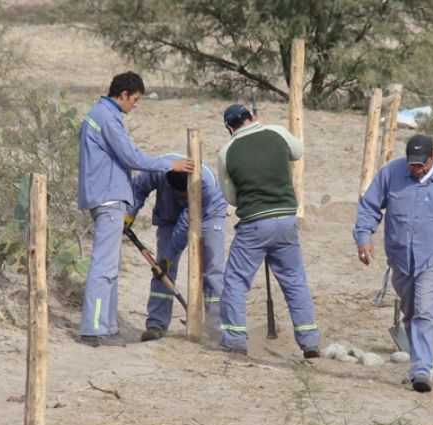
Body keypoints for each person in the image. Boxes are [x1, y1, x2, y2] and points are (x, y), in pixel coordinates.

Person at [353, 134, 433, 393]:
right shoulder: (390, 174)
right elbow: (369, 207)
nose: (416, 169)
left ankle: (421, 370)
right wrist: (364, 237)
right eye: (412, 164)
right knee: (411, 313)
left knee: (425, 310)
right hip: (401, 258)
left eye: (421, 164)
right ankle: (423, 362)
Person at [77, 71, 194, 347]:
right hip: (108, 199)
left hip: (107, 198)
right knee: (103, 267)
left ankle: (107, 327)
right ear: (123, 94)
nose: (136, 104)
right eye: (135, 99)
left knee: (111, 268)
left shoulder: (101, 115)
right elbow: (132, 157)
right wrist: (170, 165)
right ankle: (93, 329)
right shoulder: (107, 117)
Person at [216, 104, 321, 358]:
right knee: (294, 279)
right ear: (252, 117)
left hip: (254, 224)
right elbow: (297, 151)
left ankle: (235, 339)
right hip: (286, 220)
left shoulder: (226, 151)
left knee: (236, 281)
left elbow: (231, 197)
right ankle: (309, 341)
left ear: (229, 128)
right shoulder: (276, 132)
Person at [126, 153, 228, 341]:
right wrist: (129, 214)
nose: (183, 197)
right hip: (169, 214)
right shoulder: (158, 170)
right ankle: (156, 324)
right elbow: (137, 188)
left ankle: (216, 328)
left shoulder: (204, 184)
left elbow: (184, 226)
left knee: (213, 270)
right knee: (161, 270)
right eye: (181, 194)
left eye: (185, 194)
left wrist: (169, 257)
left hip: (209, 213)